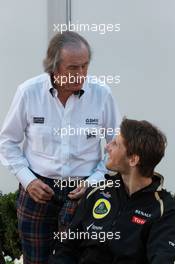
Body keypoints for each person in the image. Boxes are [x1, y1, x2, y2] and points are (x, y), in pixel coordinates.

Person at [0, 31, 121, 264]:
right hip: (37, 189)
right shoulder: (28, 92)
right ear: (53, 67)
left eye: (85, 66)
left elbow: (116, 147)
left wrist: (94, 181)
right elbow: (7, 142)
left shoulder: (102, 94)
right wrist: (28, 180)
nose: (82, 74)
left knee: (83, 260)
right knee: (36, 260)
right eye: (73, 68)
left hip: (86, 190)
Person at [51, 118, 175, 264]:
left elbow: (162, 258)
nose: (107, 147)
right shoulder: (97, 191)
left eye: (115, 144)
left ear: (133, 160)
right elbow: (66, 248)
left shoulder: (164, 209)